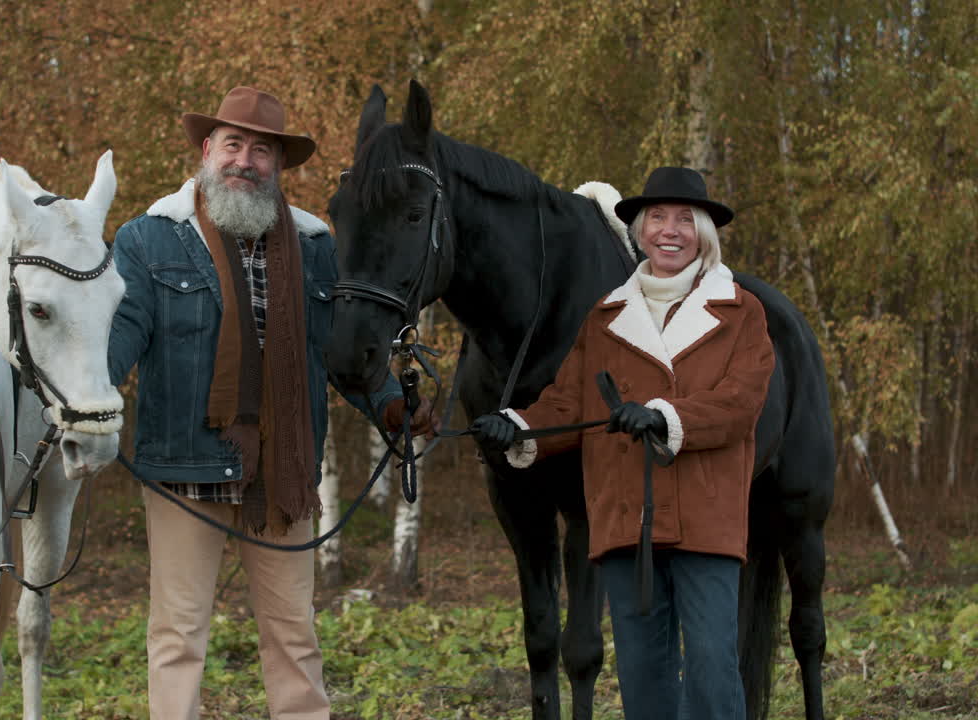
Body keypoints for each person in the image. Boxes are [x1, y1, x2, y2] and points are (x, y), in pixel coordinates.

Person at [107, 86, 432, 720]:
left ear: (278, 165)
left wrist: (393, 406)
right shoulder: (148, 240)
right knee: (178, 635)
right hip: (182, 468)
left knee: (294, 635)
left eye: (262, 151)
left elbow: (342, 353)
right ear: (207, 150)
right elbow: (118, 340)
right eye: (234, 145)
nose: (245, 162)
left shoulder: (316, 248)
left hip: (284, 473)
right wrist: (79, 391)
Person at [470, 166, 774, 720]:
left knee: (711, 669)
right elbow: (568, 403)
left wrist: (665, 417)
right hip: (625, 519)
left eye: (686, 219)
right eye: (657, 217)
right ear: (640, 230)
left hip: (707, 518)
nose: (670, 230)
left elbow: (740, 404)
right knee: (643, 677)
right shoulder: (606, 315)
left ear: (705, 233)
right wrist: (517, 426)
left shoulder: (741, 311)